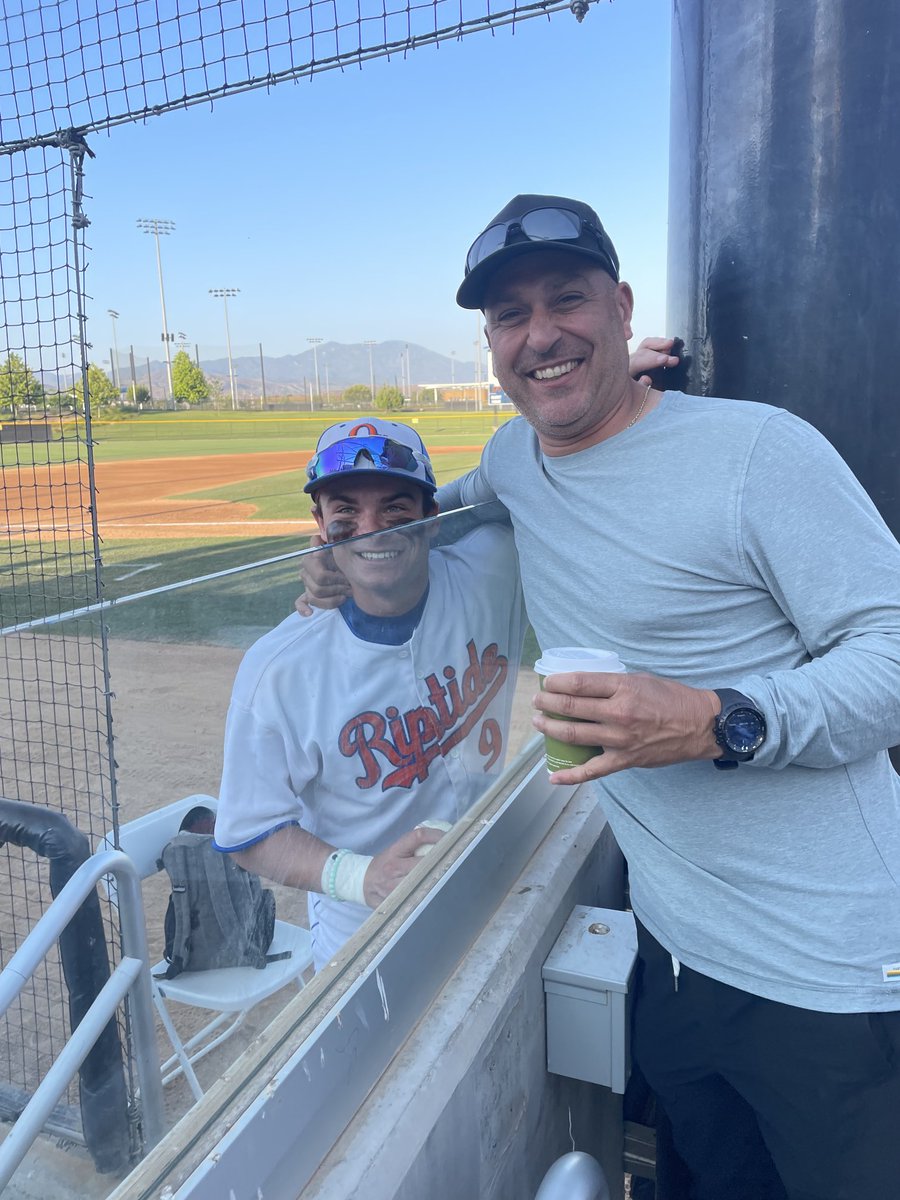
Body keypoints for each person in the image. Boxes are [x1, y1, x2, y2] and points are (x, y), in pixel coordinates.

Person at [436, 194, 900, 1200]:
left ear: (620, 307)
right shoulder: (513, 459)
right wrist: (351, 543)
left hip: (836, 979)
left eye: (567, 300)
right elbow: (445, 511)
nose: (541, 333)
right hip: (679, 960)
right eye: (510, 317)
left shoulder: (757, 452)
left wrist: (712, 719)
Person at [213, 418, 523, 970]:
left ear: (433, 517)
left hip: (493, 880)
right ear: (320, 526)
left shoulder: (491, 568)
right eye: (346, 513)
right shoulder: (280, 668)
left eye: (397, 508)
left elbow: (536, 477)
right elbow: (248, 832)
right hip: (366, 934)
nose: (372, 528)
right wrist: (362, 876)